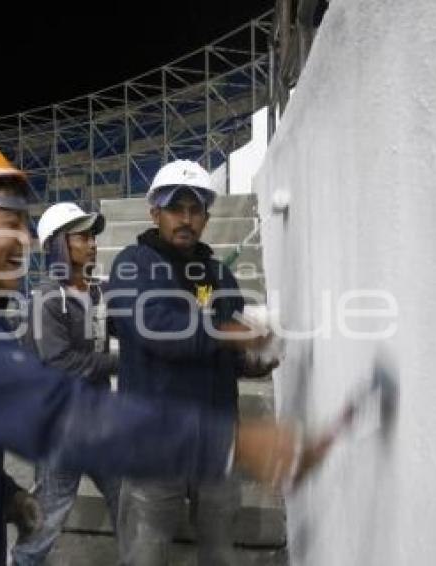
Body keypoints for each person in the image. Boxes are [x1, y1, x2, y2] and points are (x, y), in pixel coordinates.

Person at [0, 135, 320, 566]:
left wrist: (5, 494)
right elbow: (59, 413)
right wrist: (233, 443)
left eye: (26, 224)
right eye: (9, 221)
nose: (24, 240)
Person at [108, 160, 279, 565]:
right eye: (175, 208)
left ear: (206, 216)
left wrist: (253, 362)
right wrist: (231, 334)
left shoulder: (220, 275)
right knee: (145, 552)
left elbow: (226, 350)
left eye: (196, 209)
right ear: (155, 213)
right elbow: (158, 328)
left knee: (220, 549)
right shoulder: (133, 265)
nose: (186, 219)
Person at [11, 202, 120, 565]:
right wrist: (122, 361)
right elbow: (62, 365)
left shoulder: (94, 292)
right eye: (83, 237)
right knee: (48, 517)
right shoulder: (46, 300)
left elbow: (110, 330)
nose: (92, 244)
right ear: (58, 245)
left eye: (93, 236)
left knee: (127, 499)